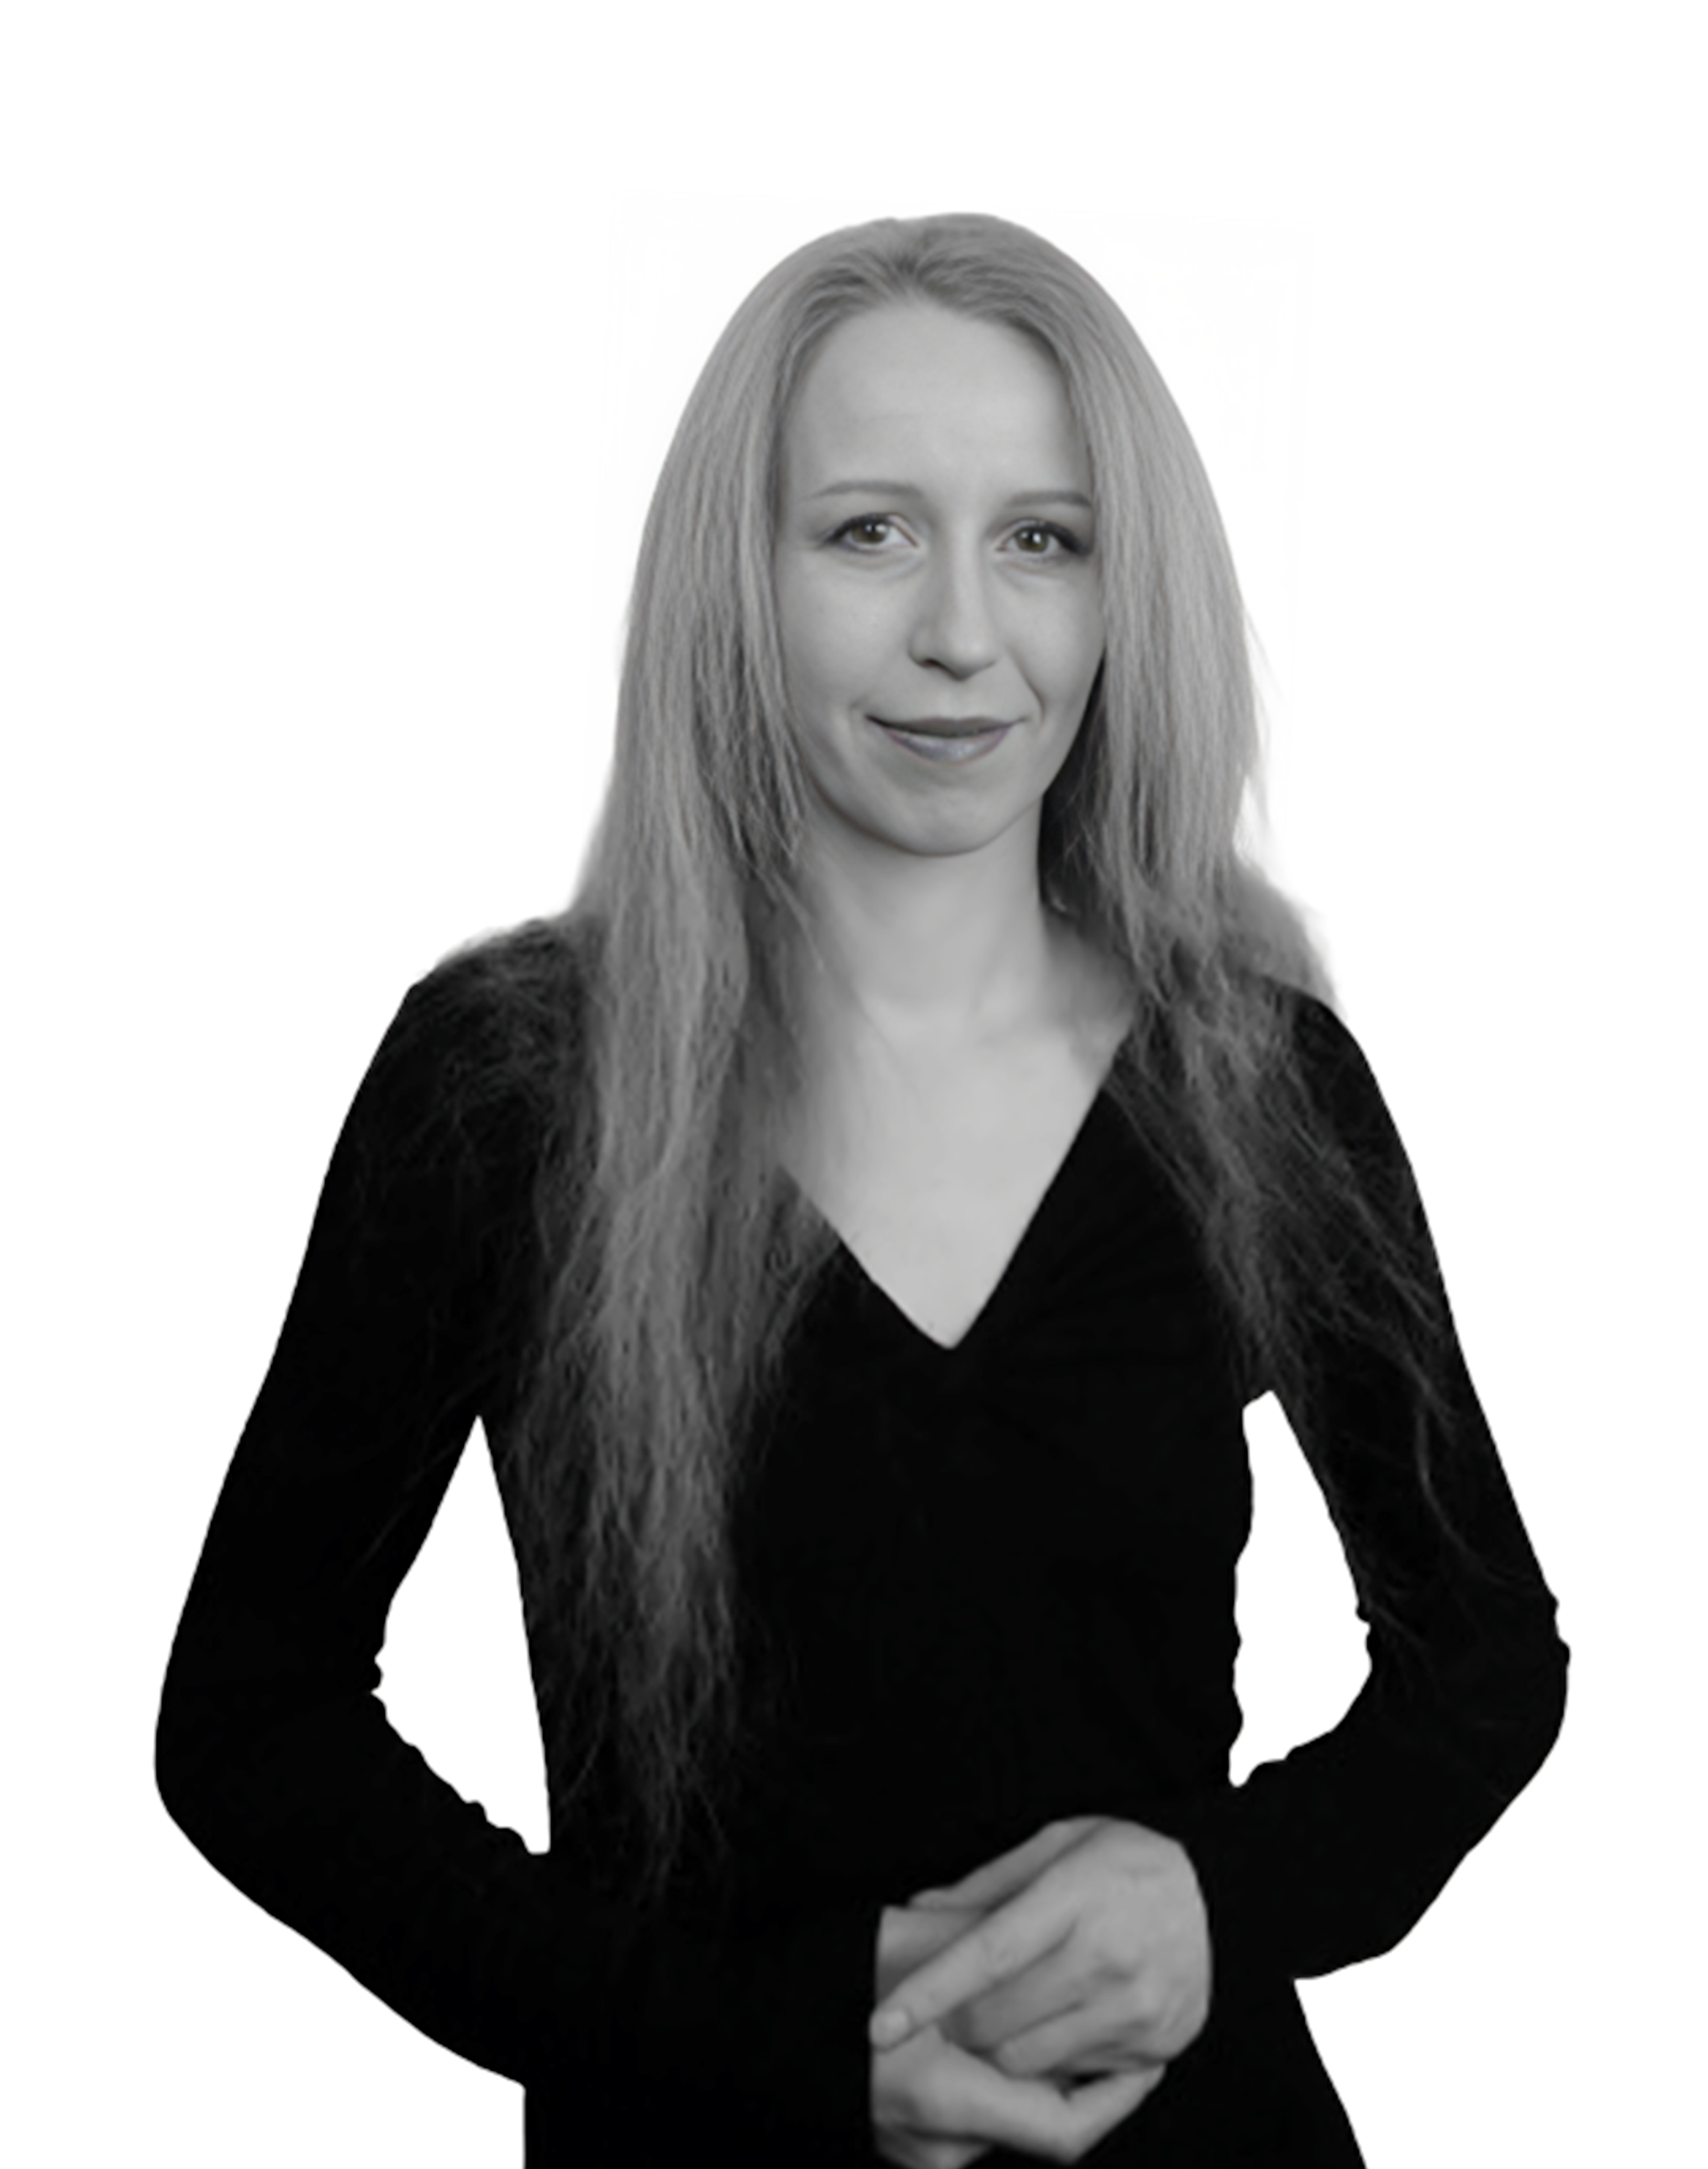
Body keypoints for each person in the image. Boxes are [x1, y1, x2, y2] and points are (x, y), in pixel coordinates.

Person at [156, 213, 1568, 2166]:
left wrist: (1225, 1903)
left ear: (1116, 592)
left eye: (1043, 538)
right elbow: (250, 1722)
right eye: (868, 532)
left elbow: (1482, 1666)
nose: (963, 634)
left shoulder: (1261, 1085)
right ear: (736, 582)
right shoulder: (501, 1090)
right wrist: (778, 2033)